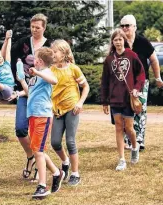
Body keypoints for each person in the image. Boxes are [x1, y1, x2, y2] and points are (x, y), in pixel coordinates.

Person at [8, 13, 52, 180]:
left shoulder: (49, 45)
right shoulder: (23, 43)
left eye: (37, 27)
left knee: (39, 137)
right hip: (25, 91)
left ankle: (44, 172)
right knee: (20, 129)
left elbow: (56, 68)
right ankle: (30, 156)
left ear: (44, 28)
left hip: (41, 96)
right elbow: (10, 58)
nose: (34, 30)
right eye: (32, 27)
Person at [17, 47, 64, 199]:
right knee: (38, 149)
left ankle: (42, 186)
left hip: (43, 116)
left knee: (38, 151)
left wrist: (37, 72)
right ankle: (57, 173)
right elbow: (31, 93)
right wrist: (21, 85)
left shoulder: (46, 73)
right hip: (33, 116)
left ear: (40, 61)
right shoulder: (35, 77)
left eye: (35, 58)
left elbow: (54, 81)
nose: (32, 60)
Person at [101, 28, 146, 171]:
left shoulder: (131, 55)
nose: (118, 42)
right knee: (119, 128)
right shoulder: (109, 60)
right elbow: (105, 81)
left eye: (120, 39)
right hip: (115, 99)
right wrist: (105, 101)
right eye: (115, 40)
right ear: (112, 43)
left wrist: (137, 88)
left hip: (128, 98)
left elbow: (141, 74)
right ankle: (121, 159)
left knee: (129, 128)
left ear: (124, 41)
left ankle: (135, 147)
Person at [119, 15, 163, 150]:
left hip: (142, 81)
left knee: (140, 109)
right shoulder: (119, 42)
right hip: (124, 83)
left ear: (134, 27)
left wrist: (158, 78)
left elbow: (154, 61)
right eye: (122, 26)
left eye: (128, 25)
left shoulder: (142, 42)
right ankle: (128, 139)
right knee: (126, 110)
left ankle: (139, 140)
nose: (125, 28)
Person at [50, 39, 90, 186]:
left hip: (72, 108)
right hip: (57, 110)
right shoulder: (51, 70)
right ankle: (65, 162)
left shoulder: (73, 69)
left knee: (70, 141)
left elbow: (86, 87)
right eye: (52, 52)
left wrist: (80, 103)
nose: (53, 54)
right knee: (55, 142)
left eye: (55, 52)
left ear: (64, 53)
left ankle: (75, 173)